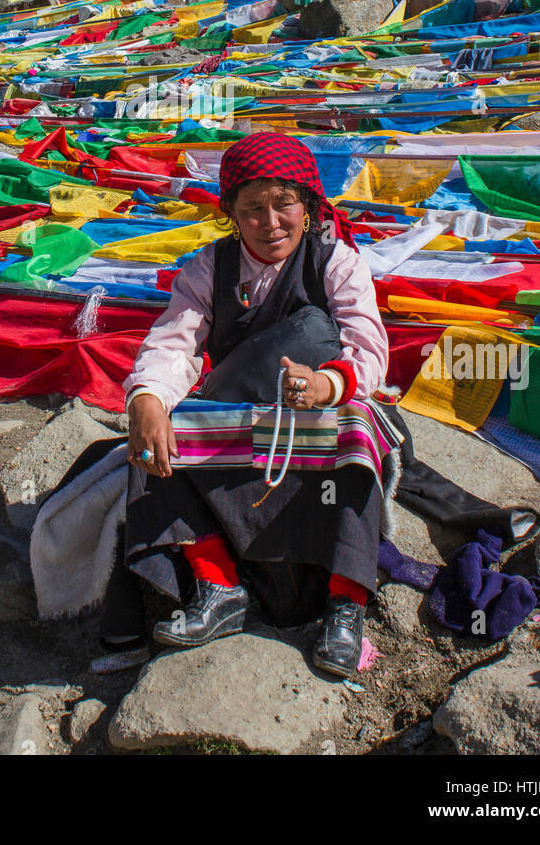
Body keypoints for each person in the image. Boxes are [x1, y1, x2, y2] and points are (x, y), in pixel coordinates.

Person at [95, 131, 398, 678]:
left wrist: (326, 385)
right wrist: (146, 398)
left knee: (357, 434)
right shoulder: (209, 269)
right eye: (253, 208)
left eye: (284, 204)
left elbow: (369, 349)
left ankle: (347, 605)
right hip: (239, 411)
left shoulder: (336, 261)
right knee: (157, 439)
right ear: (230, 211)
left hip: (324, 407)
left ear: (307, 203)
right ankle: (218, 585)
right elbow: (174, 344)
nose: (272, 222)